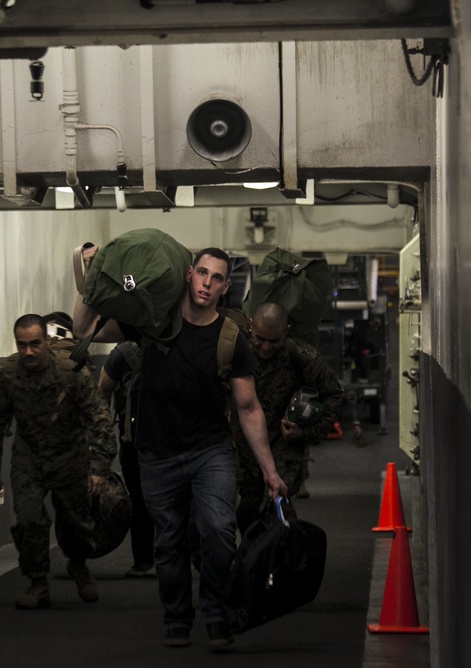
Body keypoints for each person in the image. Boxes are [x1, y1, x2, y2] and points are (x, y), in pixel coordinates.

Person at [132, 247, 287, 650]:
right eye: (202, 273)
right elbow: (88, 325)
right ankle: (177, 617)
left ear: (225, 287)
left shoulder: (231, 338)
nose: (207, 283)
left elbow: (248, 407)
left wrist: (270, 471)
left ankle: (216, 610)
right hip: (157, 452)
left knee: (218, 530)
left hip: (210, 450)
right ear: (188, 275)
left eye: (216, 277)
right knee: (168, 541)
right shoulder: (155, 322)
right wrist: (88, 276)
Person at [0, 313, 118, 610]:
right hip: (29, 459)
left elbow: (99, 420)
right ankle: (38, 582)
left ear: (48, 341)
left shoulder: (72, 373)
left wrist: (99, 468)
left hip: (71, 457)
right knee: (29, 519)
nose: (28, 351)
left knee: (76, 524)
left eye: (35, 344)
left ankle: (78, 564)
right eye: (22, 345)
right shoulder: (6, 375)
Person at [234, 302, 344, 533]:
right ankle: (253, 561)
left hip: (285, 444)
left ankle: (286, 560)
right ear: (252, 327)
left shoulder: (301, 357)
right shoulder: (236, 349)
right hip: (245, 445)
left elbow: (334, 394)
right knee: (248, 509)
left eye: (274, 341)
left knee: (276, 502)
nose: (265, 347)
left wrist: (306, 432)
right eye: (260, 338)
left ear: (287, 331)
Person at [97, 340, 157, 579]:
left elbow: (102, 390)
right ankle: (173, 557)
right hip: (170, 438)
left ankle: (143, 561)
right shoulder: (176, 342)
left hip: (131, 437)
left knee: (139, 498)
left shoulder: (122, 352)